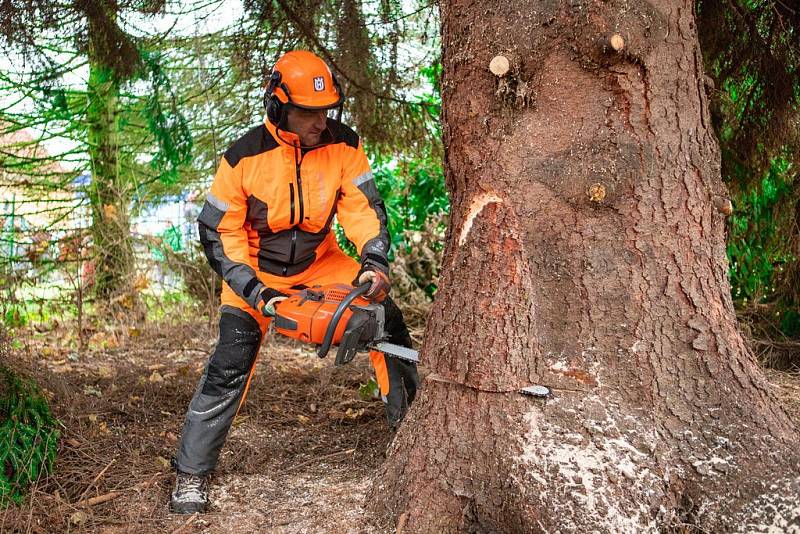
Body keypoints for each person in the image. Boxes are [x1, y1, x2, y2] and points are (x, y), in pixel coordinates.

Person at [170, 50, 419, 514]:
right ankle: (191, 474)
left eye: (325, 111)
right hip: (256, 272)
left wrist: (373, 260)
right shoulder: (244, 156)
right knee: (230, 361)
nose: (318, 122)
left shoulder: (343, 144)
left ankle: (415, 440)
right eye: (307, 112)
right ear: (278, 105)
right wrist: (255, 293)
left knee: (386, 320)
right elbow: (219, 233)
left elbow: (362, 208)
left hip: (321, 261)